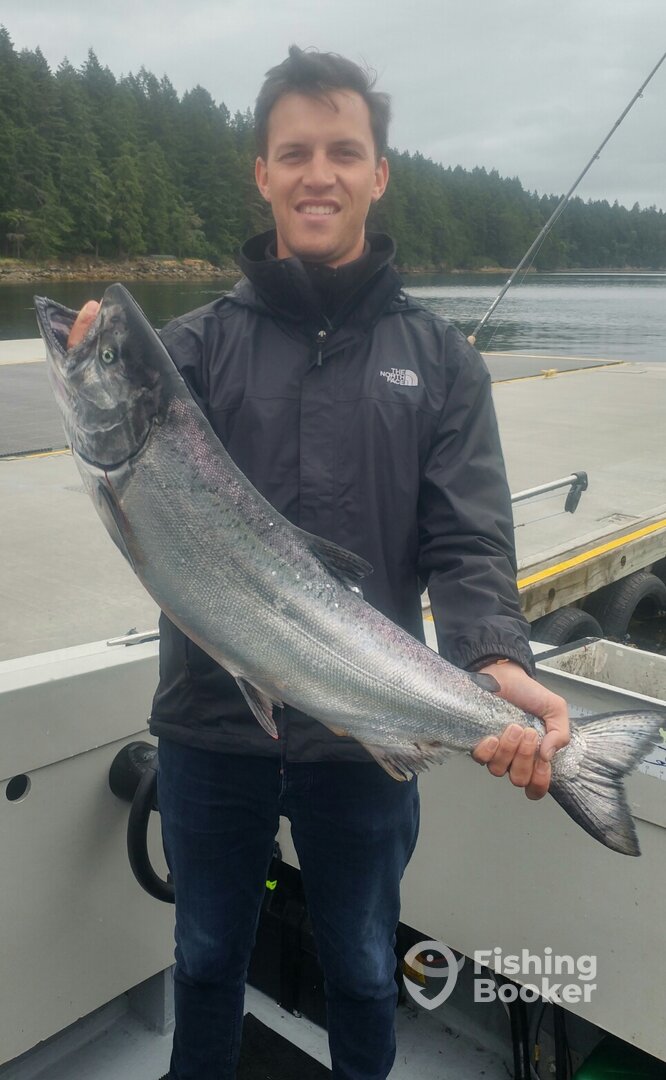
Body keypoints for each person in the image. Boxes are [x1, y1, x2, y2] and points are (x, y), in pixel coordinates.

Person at [68, 46, 569, 1080]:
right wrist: (101, 375)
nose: (318, 173)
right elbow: (147, 506)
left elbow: (469, 540)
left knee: (359, 963)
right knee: (206, 957)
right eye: (293, 152)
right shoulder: (194, 352)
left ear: (380, 172)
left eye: (344, 150)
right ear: (261, 173)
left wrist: (496, 661)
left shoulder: (441, 363)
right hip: (211, 719)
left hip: (365, 728)